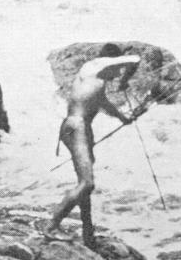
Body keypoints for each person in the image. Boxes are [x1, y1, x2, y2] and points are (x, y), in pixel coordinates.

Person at [47, 43, 140, 249]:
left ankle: (88, 233)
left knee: (84, 184)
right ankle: (52, 226)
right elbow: (135, 59)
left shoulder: (96, 82)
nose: (118, 74)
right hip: (76, 127)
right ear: (110, 62)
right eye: (117, 70)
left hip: (79, 128)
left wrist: (123, 118)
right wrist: (125, 80)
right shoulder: (94, 66)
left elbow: (105, 104)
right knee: (87, 184)